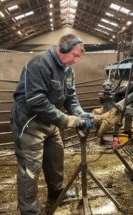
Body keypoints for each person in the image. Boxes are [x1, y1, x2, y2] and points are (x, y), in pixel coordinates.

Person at [11, 33, 94, 214]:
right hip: (30, 123)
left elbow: (70, 97)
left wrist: (80, 113)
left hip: (51, 122)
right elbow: (36, 100)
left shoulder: (68, 70)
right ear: (63, 47)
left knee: (56, 157)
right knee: (30, 168)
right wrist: (68, 120)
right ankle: (29, 210)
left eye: (78, 57)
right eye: (75, 55)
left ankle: (56, 193)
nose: (76, 60)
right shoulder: (39, 63)